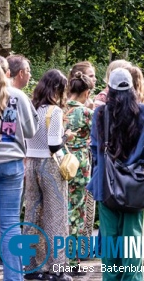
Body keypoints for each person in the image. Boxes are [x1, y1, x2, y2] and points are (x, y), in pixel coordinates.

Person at [87, 68, 144, 281]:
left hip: (106, 184)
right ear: (133, 88)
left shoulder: (100, 113)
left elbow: (94, 148)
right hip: (136, 185)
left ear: (109, 89)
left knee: (110, 240)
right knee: (132, 240)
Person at [24, 69, 73, 281]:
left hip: (31, 163)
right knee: (56, 216)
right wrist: (66, 136)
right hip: (50, 165)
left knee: (32, 214)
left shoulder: (31, 107)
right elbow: (54, 144)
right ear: (56, 88)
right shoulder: (54, 112)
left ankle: (31, 266)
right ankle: (57, 268)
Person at [0, 56, 37, 281]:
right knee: (10, 225)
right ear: (8, 72)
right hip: (10, 164)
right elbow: (30, 131)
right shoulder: (18, 97)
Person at [64, 63, 96, 268]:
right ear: (86, 92)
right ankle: (73, 260)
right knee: (77, 210)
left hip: (60, 160)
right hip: (80, 164)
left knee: (60, 209)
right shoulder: (86, 113)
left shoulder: (60, 109)